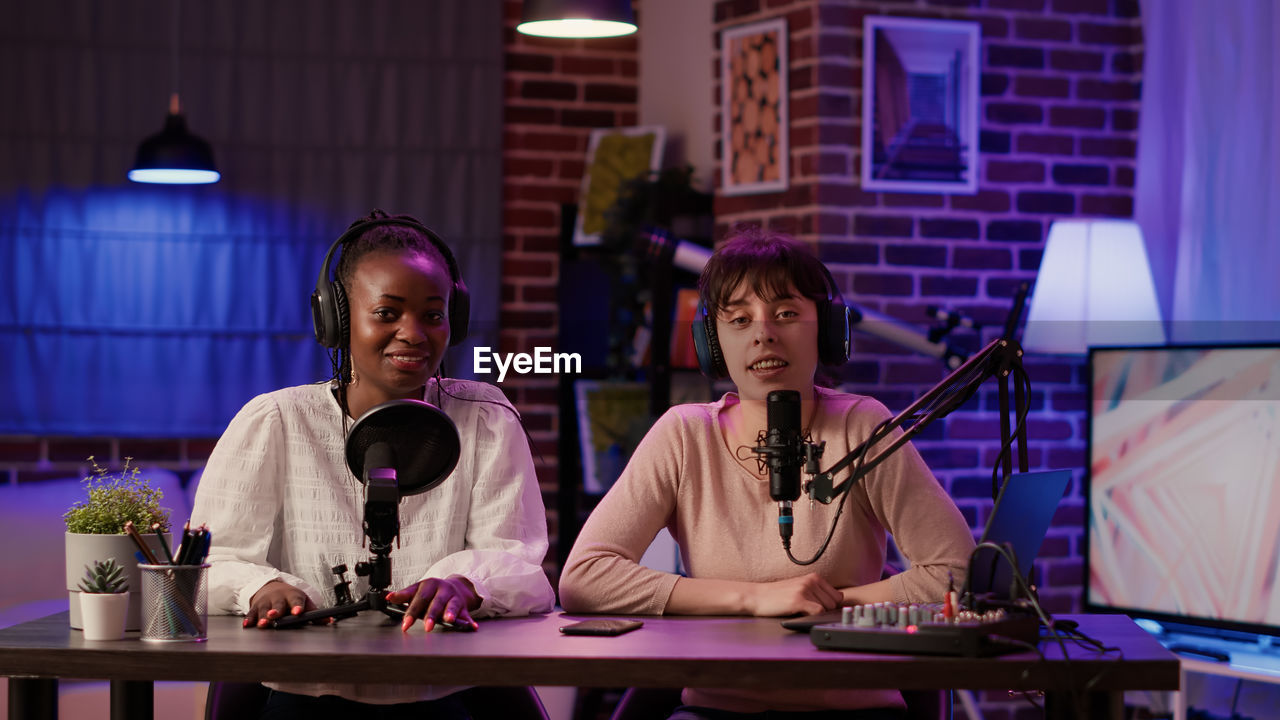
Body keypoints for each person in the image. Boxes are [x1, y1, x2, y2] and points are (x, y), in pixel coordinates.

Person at [559, 227, 975, 719]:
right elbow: (585, 578)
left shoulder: (862, 426)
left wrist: (828, 601)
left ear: (825, 330)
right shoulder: (684, 435)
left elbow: (958, 574)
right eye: (739, 319)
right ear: (714, 344)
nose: (763, 333)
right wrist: (755, 600)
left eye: (786, 313)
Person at [191, 210, 555, 718]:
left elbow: (521, 565)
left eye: (433, 314)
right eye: (387, 313)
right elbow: (208, 563)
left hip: (447, 696)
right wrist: (261, 586)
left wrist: (467, 584)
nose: (414, 333)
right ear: (336, 319)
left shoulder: (485, 416)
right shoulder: (275, 420)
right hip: (305, 699)